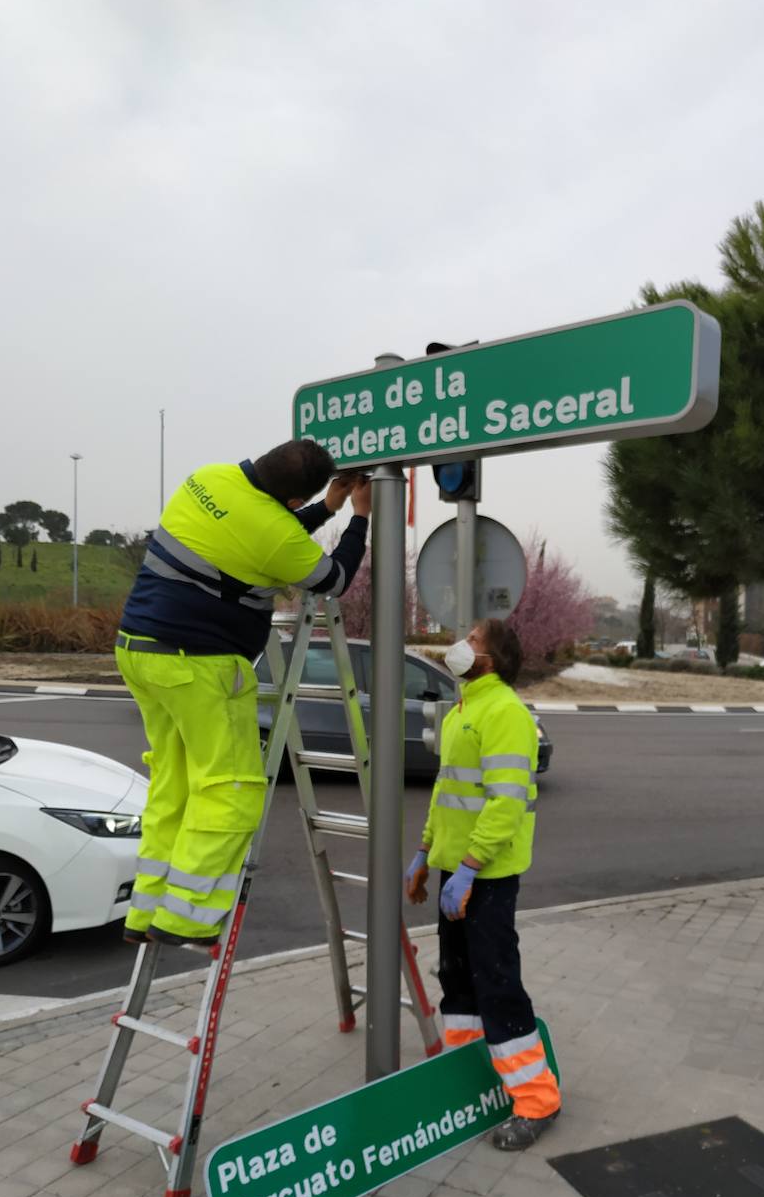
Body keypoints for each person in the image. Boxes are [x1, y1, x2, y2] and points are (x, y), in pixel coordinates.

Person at [117, 439, 371, 948]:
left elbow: (260, 534)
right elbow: (331, 578)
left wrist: (328, 506)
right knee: (232, 789)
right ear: (292, 502)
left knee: (174, 785)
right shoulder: (275, 531)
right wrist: (358, 516)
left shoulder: (208, 477)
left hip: (139, 650)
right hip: (201, 666)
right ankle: (188, 918)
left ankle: (147, 909)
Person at [405, 618, 561, 1150]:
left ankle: (537, 1100)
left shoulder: (506, 713)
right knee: (458, 979)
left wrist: (470, 867)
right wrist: (425, 854)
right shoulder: (462, 711)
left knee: (497, 984)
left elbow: (506, 800)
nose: (460, 645)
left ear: (489, 661)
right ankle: (468, 1078)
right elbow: (447, 791)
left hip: (488, 874)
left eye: (471, 640)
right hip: (457, 870)